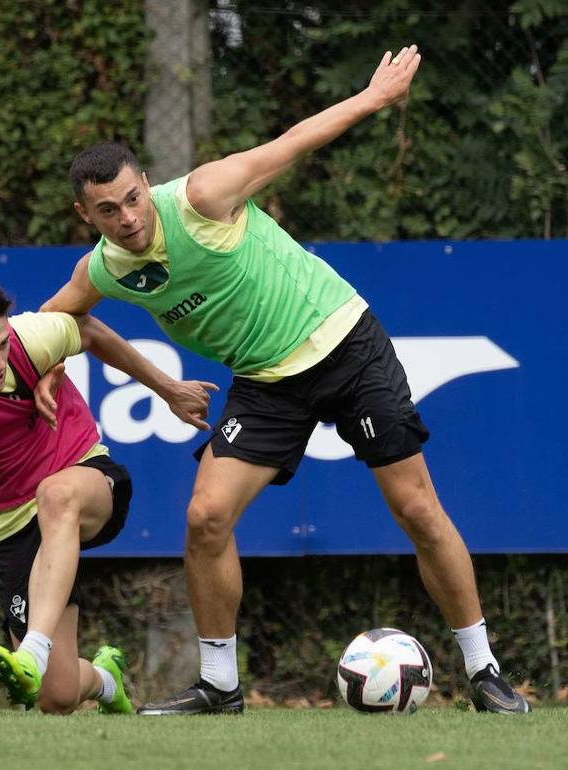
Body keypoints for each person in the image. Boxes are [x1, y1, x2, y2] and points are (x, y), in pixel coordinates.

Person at [39, 45, 530, 715]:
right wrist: (45, 365)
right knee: (205, 516)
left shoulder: (202, 196)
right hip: (267, 382)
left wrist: (373, 97)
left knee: (417, 509)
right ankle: (219, 685)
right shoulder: (105, 268)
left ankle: (483, 671)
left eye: (132, 197)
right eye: (108, 210)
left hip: (344, 343)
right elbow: (54, 318)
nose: (128, 216)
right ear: (85, 216)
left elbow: (293, 143)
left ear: (145, 181)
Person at [0, 272, 215, 714]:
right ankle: (105, 679)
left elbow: (88, 330)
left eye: (1, 344)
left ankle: (32, 651)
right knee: (58, 696)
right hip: (11, 522)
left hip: (84, 476)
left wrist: (167, 388)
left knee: (55, 495)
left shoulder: (30, 337)